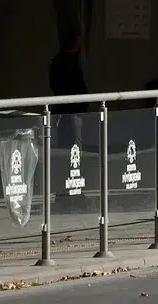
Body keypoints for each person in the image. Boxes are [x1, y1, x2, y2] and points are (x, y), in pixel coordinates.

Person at [49, 32, 88, 213]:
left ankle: (65, 191)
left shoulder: (57, 62)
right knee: (74, 153)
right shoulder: (70, 64)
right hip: (72, 113)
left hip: (64, 113)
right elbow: (76, 88)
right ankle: (74, 190)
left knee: (65, 152)